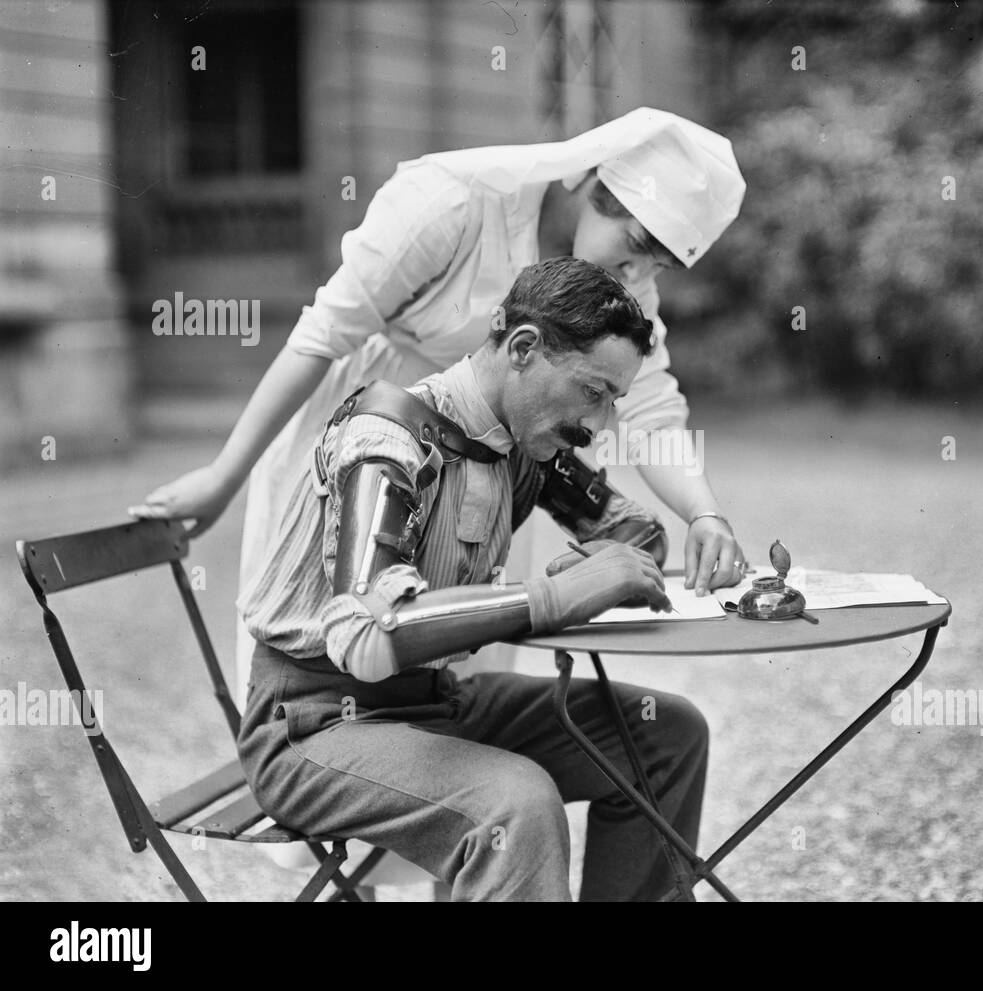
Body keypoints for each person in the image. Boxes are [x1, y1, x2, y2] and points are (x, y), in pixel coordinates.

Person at [129, 107, 750, 711]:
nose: (637, 272)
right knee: (338, 639)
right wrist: (222, 477)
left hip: (487, 463)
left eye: (658, 265)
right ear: (590, 180)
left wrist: (705, 514)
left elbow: (650, 409)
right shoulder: (453, 202)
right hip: (374, 436)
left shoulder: (626, 289)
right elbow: (320, 337)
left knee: (458, 669)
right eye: (635, 244)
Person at [237, 257, 708, 901]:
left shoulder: (523, 444)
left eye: (612, 402)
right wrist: (554, 597)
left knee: (664, 736)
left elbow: (633, 532)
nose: (598, 427)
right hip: (315, 726)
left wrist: (635, 547)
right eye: (592, 392)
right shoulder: (389, 441)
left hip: (435, 701)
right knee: (515, 808)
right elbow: (367, 637)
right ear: (523, 348)